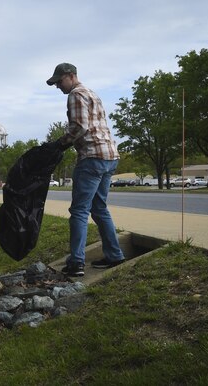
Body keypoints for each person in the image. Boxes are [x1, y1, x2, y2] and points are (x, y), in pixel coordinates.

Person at [46, 63, 125, 277]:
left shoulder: (75, 94)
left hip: (91, 158)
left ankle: (77, 262)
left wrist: (61, 143)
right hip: (110, 157)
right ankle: (115, 255)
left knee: (79, 211)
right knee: (99, 208)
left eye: (59, 81)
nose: (57, 87)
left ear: (71, 76)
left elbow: (79, 127)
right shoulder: (93, 94)